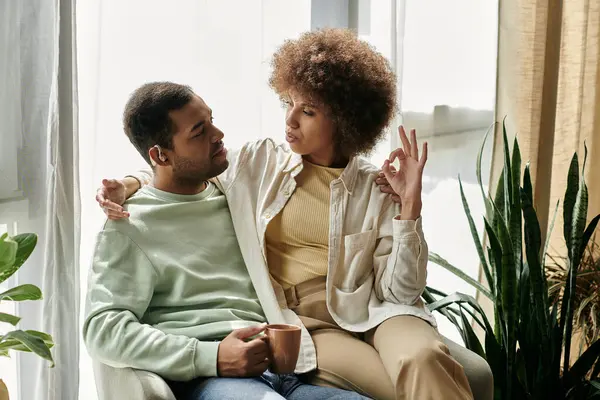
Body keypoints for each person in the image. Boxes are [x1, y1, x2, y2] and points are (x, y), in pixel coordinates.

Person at [97, 29, 493, 400]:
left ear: (342, 117)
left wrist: (410, 209)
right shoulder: (259, 164)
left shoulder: (377, 186)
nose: (289, 119)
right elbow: (181, 168)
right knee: (395, 387)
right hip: (308, 324)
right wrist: (129, 184)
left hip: (378, 310)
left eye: (308, 111)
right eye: (288, 103)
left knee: (421, 359)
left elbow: (400, 292)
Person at [83, 82, 369, 400]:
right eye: (199, 131)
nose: (217, 135)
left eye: (212, 120)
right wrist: (213, 356)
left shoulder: (235, 190)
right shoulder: (129, 225)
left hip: (289, 368)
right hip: (214, 378)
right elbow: (102, 329)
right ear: (160, 155)